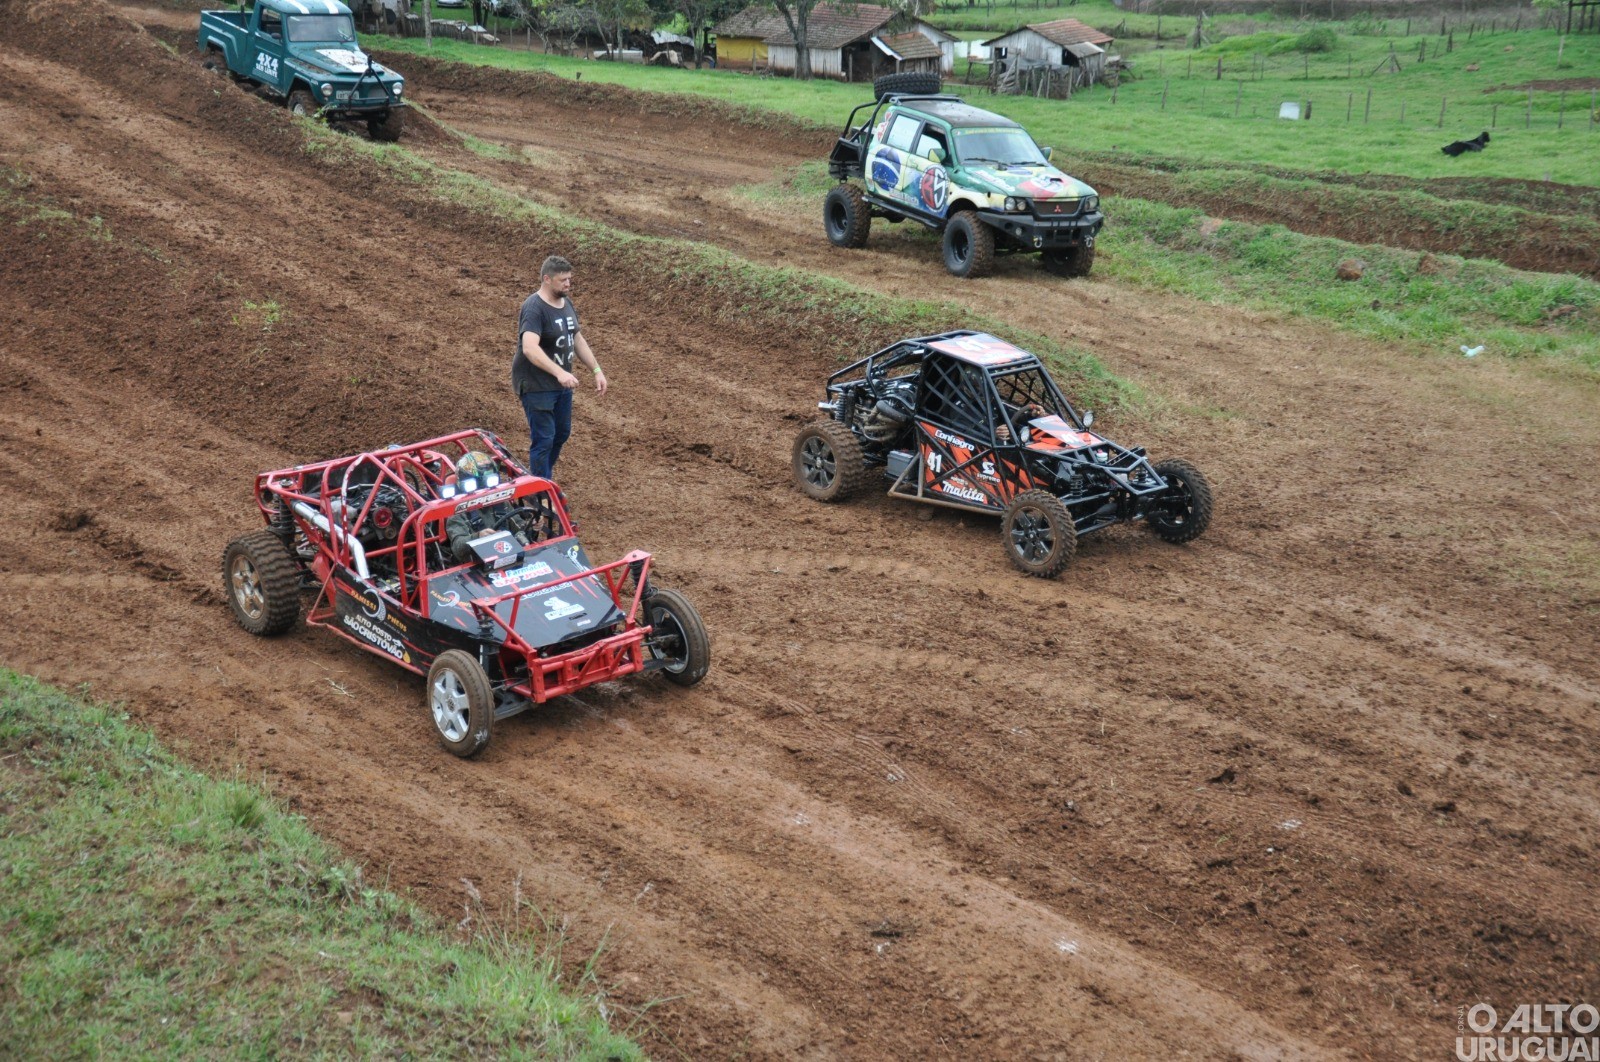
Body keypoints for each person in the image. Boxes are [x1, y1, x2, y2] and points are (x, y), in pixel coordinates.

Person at [513, 255, 607, 479]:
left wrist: (596, 370)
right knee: (544, 439)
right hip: (536, 384)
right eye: (563, 280)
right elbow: (529, 348)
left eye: (569, 279)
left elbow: (576, 339)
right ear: (547, 279)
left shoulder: (566, 303)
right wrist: (560, 371)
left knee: (561, 434)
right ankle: (540, 494)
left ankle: (541, 478)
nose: (568, 284)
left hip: (560, 385)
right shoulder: (534, 308)